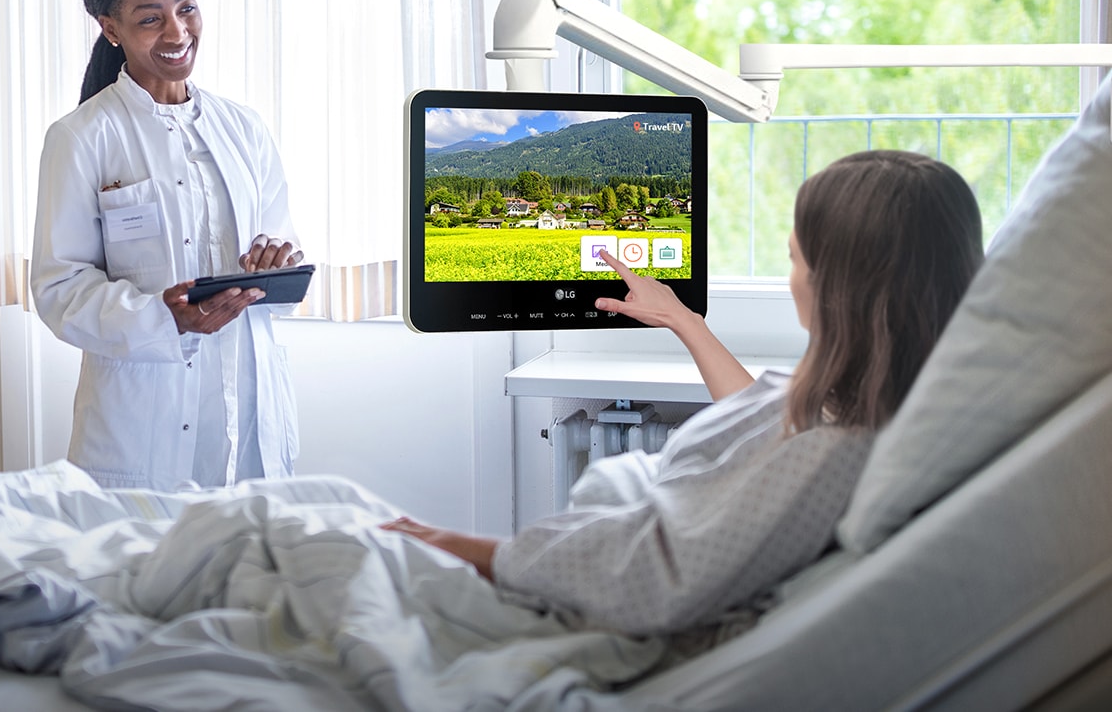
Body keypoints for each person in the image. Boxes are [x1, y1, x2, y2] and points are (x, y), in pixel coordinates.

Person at [383, 149, 985, 636]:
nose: (791, 279)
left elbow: (655, 574)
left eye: (794, 260)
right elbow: (764, 427)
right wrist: (682, 319)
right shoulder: (900, 404)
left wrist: (469, 548)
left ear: (838, 287)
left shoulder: (837, 452)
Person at [31, 0, 304, 492]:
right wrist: (164, 317)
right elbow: (60, 290)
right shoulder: (81, 137)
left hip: (248, 406)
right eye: (151, 18)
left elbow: (280, 245)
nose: (177, 32)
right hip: (141, 423)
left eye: (187, 8)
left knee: (253, 543)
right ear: (111, 29)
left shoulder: (244, 128)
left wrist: (276, 262)